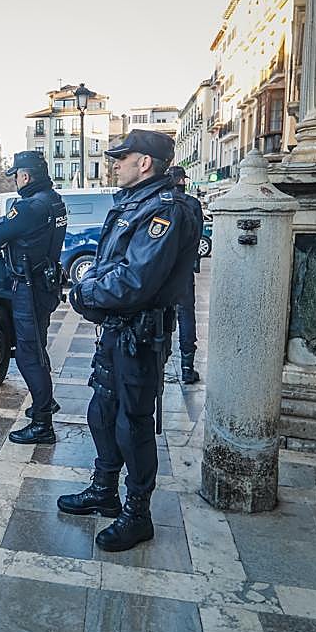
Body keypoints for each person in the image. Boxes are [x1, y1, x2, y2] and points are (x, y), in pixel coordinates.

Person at [57, 130, 198, 552]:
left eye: (123, 157)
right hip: (117, 331)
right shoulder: (133, 204)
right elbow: (106, 264)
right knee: (102, 410)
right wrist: (90, 286)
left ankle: (137, 514)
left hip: (140, 335)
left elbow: (135, 280)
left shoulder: (165, 211)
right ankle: (104, 489)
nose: (115, 163)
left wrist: (84, 292)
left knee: (132, 424)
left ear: (145, 163)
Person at [0, 150, 68, 444]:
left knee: (29, 356)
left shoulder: (30, 207)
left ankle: (43, 422)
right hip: (45, 285)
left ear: (26, 176)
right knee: (38, 347)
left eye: (16, 175)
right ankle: (46, 402)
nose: (16, 180)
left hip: (28, 288)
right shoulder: (55, 201)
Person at [165, 165, 204, 384]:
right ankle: (187, 367)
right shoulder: (193, 204)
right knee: (186, 316)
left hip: (162, 272)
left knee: (161, 315)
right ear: (183, 180)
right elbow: (196, 237)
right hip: (184, 271)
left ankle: (158, 363)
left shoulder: (160, 202)